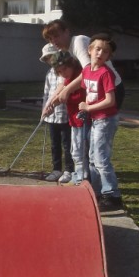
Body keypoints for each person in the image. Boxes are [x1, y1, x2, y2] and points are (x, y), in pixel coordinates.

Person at [79, 34, 123, 212]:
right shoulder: (87, 70)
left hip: (105, 119)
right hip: (95, 119)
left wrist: (89, 108)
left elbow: (110, 101)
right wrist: (84, 109)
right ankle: (96, 192)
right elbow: (87, 93)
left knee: (101, 158)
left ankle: (112, 195)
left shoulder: (106, 73)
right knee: (91, 158)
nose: (100, 53)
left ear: (108, 56)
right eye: (97, 49)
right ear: (89, 50)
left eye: (105, 51)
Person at [42, 20, 124, 110]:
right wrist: (50, 102)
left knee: (104, 123)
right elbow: (64, 81)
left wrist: (67, 90)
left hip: (111, 88)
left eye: (56, 36)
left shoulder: (79, 42)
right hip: (95, 91)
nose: (54, 41)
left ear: (67, 32)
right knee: (96, 123)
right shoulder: (65, 51)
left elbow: (88, 72)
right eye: (50, 39)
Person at [40, 42, 74, 183]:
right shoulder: (49, 73)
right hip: (52, 116)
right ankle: (56, 169)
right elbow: (47, 93)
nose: (49, 60)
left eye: (51, 56)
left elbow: (63, 91)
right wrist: (44, 109)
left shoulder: (64, 72)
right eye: (47, 58)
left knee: (68, 144)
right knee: (55, 144)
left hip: (65, 114)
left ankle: (69, 170)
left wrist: (53, 103)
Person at [52, 51, 87, 186]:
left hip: (82, 121)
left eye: (65, 69)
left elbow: (79, 97)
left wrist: (65, 96)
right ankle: (78, 177)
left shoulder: (79, 77)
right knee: (75, 151)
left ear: (72, 65)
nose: (63, 73)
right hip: (73, 121)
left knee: (81, 151)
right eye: (60, 72)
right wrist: (53, 103)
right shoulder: (68, 79)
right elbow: (62, 93)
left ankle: (82, 179)